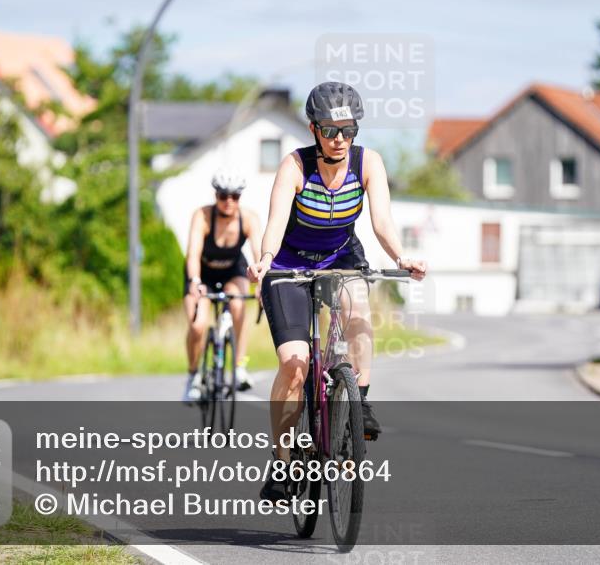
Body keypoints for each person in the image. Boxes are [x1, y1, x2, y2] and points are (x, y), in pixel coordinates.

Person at [247, 81, 427, 502]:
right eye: (331, 131)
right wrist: (265, 258)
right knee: (295, 364)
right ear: (313, 130)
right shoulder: (294, 166)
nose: (341, 139)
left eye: (349, 130)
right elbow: (274, 223)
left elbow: (381, 221)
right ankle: (283, 459)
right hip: (288, 263)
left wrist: (402, 256)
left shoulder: (368, 163)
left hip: (340, 255)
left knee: (358, 308)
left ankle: (358, 399)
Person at [182, 168, 262, 403]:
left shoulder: (248, 219)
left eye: (235, 196)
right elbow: (193, 254)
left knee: (238, 304)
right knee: (197, 326)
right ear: (215, 195)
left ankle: (238, 367)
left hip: (233, 270)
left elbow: (259, 254)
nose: (229, 201)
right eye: (223, 196)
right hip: (202, 272)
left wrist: (261, 283)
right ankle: (193, 376)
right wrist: (195, 282)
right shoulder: (203, 216)